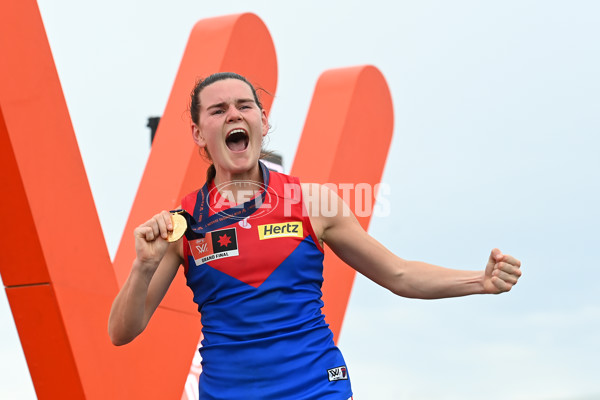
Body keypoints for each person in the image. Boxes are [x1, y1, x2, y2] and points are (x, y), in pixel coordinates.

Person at [108, 72, 522, 399]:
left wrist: (479, 282)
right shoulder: (183, 224)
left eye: (245, 105)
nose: (234, 114)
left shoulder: (313, 202)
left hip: (317, 389)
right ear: (199, 133)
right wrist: (142, 266)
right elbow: (121, 331)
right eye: (218, 110)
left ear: (263, 122)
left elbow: (399, 274)